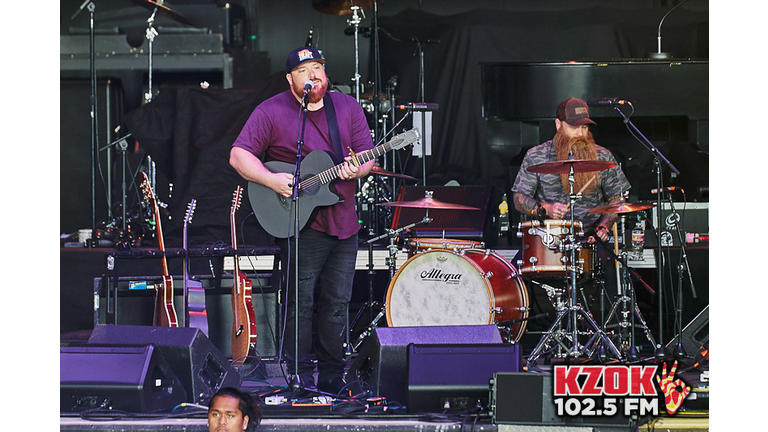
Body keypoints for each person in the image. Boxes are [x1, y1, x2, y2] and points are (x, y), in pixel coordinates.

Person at [230, 46, 375, 395]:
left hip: (344, 221)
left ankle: (331, 380)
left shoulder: (347, 107)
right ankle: (298, 378)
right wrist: (272, 180)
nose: (314, 76)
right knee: (301, 303)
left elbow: (366, 157)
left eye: (318, 69)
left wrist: (361, 167)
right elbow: (238, 155)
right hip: (299, 222)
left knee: (337, 304)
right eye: (305, 70)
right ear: (290, 78)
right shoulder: (273, 110)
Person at [511, 96, 630, 242]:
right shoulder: (536, 155)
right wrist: (546, 208)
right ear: (558, 125)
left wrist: (604, 227)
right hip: (549, 237)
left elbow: (617, 199)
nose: (580, 134)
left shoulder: (603, 156)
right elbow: (519, 199)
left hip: (590, 237)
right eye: (574, 127)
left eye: (584, 127)